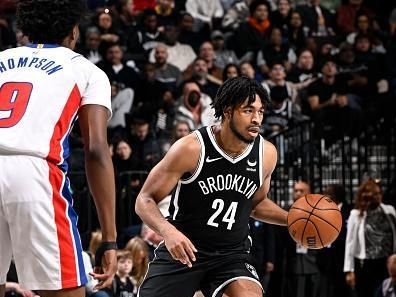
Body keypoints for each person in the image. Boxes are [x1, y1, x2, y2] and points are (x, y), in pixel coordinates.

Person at [0, 1, 117, 297]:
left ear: (24, 29)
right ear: (74, 31)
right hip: (33, 174)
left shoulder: (2, 58)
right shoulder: (86, 70)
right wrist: (110, 239)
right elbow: (96, 150)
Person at [135, 76, 288, 297]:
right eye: (248, 110)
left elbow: (255, 204)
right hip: (186, 249)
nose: (257, 119)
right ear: (227, 111)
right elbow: (144, 200)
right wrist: (168, 232)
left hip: (231, 255)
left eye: (260, 111)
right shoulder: (191, 148)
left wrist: (292, 219)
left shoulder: (267, 154)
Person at [344, 178, 396, 297]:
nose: (378, 197)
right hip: (366, 264)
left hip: (385, 262)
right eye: (375, 194)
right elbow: (350, 243)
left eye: (379, 193)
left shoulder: (390, 211)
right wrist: (349, 270)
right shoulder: (356, 215)